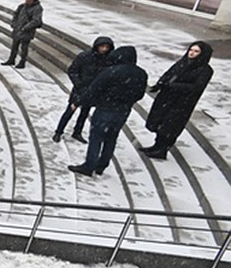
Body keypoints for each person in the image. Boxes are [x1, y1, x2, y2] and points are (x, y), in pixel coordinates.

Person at [68, 45, 147, 177]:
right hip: (123, 111)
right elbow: (140, 95)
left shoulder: (111, 72)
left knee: (96, 138)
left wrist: (78, 102)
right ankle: (102, 165)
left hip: (105, 109)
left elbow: (93, 89)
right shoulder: (141, 74)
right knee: (111, 138)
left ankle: (89, 165)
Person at [140, 41, 214, 159]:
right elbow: (169, 73)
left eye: (196, 51)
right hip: (166, 98)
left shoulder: (205, 70)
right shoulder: (183, 62)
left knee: (169, 126)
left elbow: (197, 87)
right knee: (159, 121)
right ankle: (156, 145)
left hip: (181, 103)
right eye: (191, 50)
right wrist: (160, 84)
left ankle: (162, 149)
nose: (192, 53)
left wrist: (174, 85)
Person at [53, 36, 114, 143]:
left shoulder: (107, 60)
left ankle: (77, 131)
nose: (104, 49)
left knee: (84, 113)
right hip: (80, 89)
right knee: (70, 111)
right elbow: (72, 70)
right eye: (102, 46)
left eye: (106, 47)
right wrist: (79, 84)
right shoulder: (85, 56)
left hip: (93, 91)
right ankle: (58, 131)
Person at [1, 0, 43, 69]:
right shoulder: (22, 6)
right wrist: (14, 24)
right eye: (26, 0)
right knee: (14, 46)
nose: (27, 2)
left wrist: (25, 27)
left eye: (29, 0)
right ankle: (11, 59)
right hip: (18, 29)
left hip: (27, 31)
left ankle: (22, 62)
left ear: (33, 1)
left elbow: (36, 20)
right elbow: (15, 14)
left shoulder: (37, 8)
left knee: (24, 48)